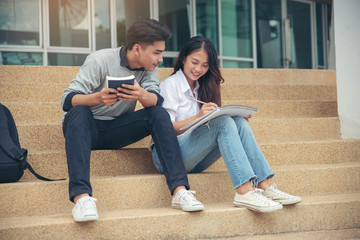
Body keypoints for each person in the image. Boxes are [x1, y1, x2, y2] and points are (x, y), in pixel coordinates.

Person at [61, 19, 204, 222]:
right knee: (79, 110)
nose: (160, 59)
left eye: (162, 52)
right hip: (85, 127)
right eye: (157, 52)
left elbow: (156, 100)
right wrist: (98, 98)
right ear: (137, 48)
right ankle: (82, 198)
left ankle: (180, 191)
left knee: (159, 113)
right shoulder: (99, 60)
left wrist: (141, 94)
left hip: (116, 129)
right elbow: (67, 99)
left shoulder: (149, 68)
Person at [151, 36, 302, 213]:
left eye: (205, 65)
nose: (198, 69)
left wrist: (236, 120)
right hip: (168, 158)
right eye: (194, 62)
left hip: (194, 158)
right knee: (223, 123)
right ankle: (244, 191)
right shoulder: (170, 85)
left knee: (237, 122)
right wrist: (198, 116)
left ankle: (264, 186)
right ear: (183, 58)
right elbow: (164, 131)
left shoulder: (202, 86)